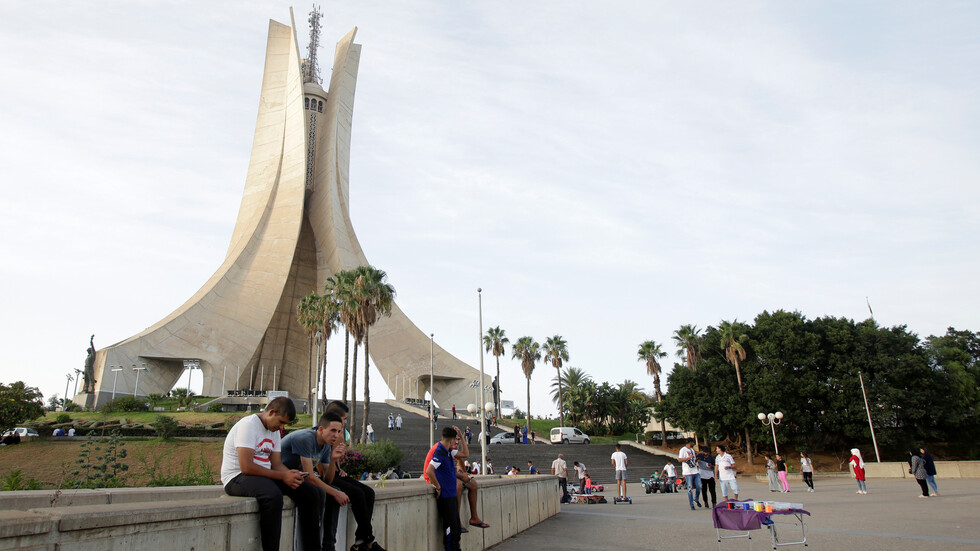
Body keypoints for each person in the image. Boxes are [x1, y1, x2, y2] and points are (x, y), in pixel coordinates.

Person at [220, 397, 321, 551]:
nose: (281, 428)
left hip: (262, 476)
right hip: (237, 477)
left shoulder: (273, 431)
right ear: (272, 412)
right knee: (272, 496)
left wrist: (290, 475)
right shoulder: (249, 425)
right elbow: (246, 467)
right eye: (281, 422)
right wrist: (282, 476)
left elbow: (277, 464)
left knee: (310, 492)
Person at [280, 412, 350, 551]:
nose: (336, 435)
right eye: (332, 431)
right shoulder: (305, 438)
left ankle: (328, 546)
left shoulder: (325, 445)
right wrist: (335, 493)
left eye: (339, 431)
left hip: (298, 478)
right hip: (282, 476)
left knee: (332, 493)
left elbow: (327, 480)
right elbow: (310, 477)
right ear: (320, 429)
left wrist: (333, 459)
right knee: (317, 493)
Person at [324, 400, 384, 551]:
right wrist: (335, 468)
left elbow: (334, 457)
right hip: (326, 475)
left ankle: (360, 539)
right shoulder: (326, 433)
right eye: (343, 419)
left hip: (335, 471)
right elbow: (323, 465)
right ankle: (368, 540)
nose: (345, 422)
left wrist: (340, 468)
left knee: (369, 493)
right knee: (357, 493)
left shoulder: (341, 434)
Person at [426, 426, 463, 551]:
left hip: (451, 494)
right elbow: (429, 470)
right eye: (456, 440)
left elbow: (466, 454)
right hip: (446, 496)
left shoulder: (448, 451)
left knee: (456, 528)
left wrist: (462, 437)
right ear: (452, 440)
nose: (456, 442)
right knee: (450, 528)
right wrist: (438, 487)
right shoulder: (440, 451)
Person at [678, 439, 702, 510]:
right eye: (693, 442)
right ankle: (691, 504)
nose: (694, 444)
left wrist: (697, 459)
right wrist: (688, 458)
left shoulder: (692, 450)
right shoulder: (683, 450)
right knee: (690, 488)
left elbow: (694, 459)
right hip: (688, 472)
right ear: (690, 443)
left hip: (695, 470)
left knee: (699, 486)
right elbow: (679, 460)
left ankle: (696, 498)